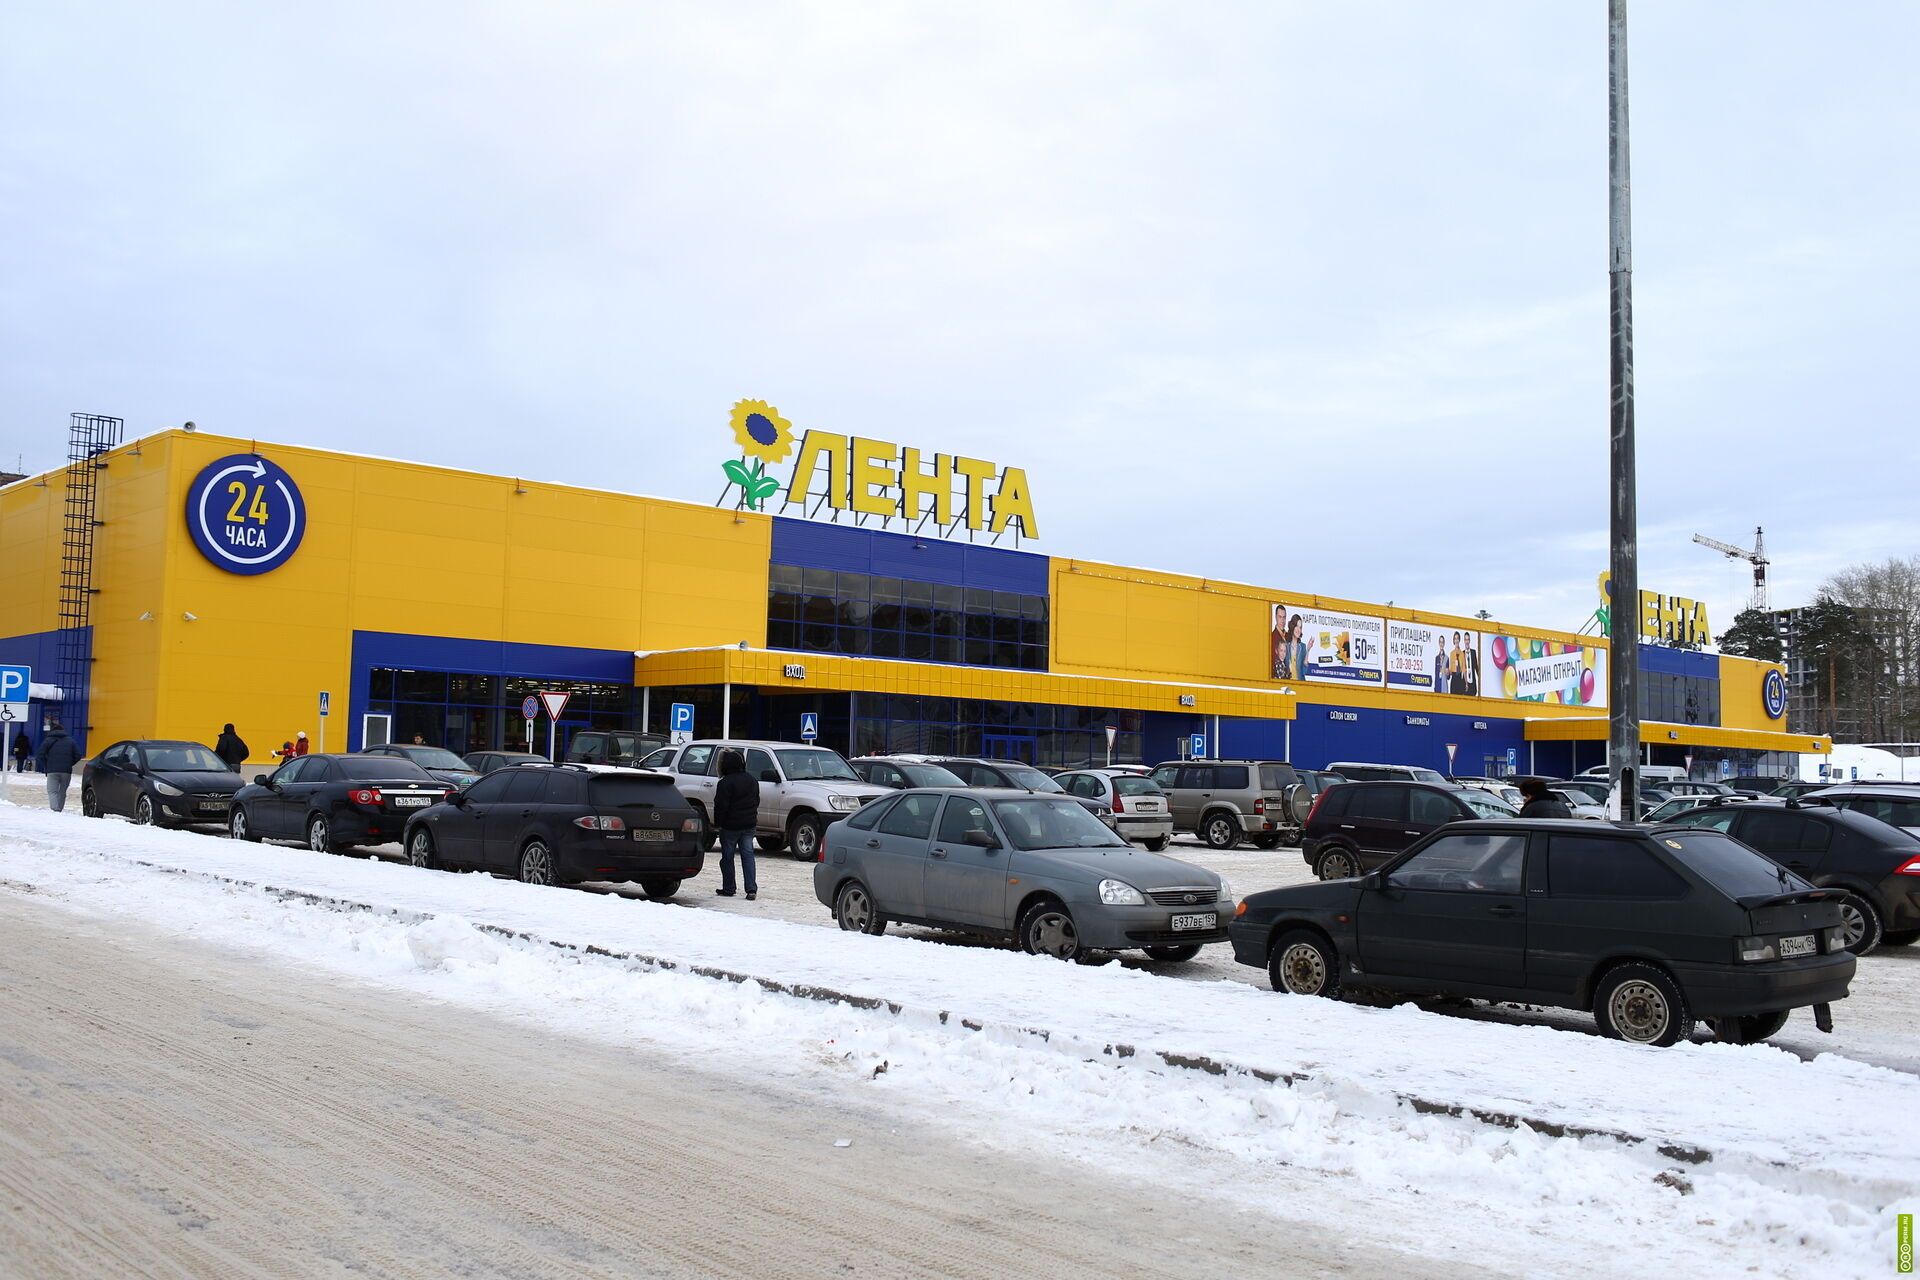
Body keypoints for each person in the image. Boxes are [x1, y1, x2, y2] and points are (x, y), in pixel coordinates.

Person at [711, 748, 759, 900]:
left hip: (730, 827)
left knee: (727, 857)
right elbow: (756, 801)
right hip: (749, 825)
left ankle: (729, 887)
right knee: (748, 856)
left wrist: (718, 823)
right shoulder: (752, 780)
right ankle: (751, 889)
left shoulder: (725, 783)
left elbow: (721, 806)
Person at [34, 719, 81, 813]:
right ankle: (59, 809)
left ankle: (55, 809)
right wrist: (69, 763)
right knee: (62, 791)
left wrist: (47, 764)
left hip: (52, 771)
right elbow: (78, 755)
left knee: (52, 791)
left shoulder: (48, 740)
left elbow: (40, 755)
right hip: (66, 771)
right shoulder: (70, 741)